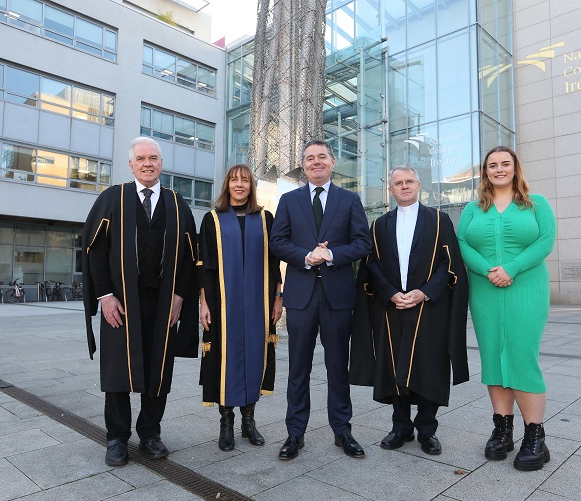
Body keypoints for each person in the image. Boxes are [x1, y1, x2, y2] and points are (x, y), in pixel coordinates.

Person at [82, 137, 199, 467]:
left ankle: (150, 433)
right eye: (141, 159)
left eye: (154, 158)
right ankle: (117, 437)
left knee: (158, 370)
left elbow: (191, 258)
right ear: (130, 165)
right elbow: (96, 251)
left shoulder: (177, 205)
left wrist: (180, 296)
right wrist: (104, 296)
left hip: (163, 303)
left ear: (161, 164)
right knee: (118, 371)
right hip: (121, 304)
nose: (148, 163)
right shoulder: (113, 199)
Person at [351, 166, 469, 455]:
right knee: (394, 366)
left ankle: (427, 429)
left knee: (429, 366)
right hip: (391, 308)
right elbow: (372, 266)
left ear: (419, 186)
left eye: (409, 182)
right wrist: (391, 293)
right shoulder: (379, 225)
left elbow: (449, 264)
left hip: (428, 307)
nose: (404, 186)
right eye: (398, 183)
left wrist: (425, 292)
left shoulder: (440, 221)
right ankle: (401, 427)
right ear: (390, 190)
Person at [270, 139, 371, 460]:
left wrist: (330, 255)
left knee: (337, 367)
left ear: (332, 161)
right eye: (310, 158)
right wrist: (305, 256)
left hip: (337, 297)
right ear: (304, 164)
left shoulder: (349, 199)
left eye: (322, 157)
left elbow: (362, 242)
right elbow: (277, 242)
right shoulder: (288, 200)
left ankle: (342, 430)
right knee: (298, 368)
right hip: (300, 298)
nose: (316, 162)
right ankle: (294, 432)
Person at [457, 145, 556, 471]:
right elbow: (462, 243)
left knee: (521, 357)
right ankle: (503, 430)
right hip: (485, 292)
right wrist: (487, 269)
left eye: (505, 164)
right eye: (492, 165)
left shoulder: (536, 203)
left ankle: (535, 437)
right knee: (494, 357)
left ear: (515, 168)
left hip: (525, 289)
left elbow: (545, 241)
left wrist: (511, 267)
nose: (499, 169)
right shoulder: (474, 208)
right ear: (485, 172)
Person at [198, 164, 283, 451]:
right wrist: (204, 303)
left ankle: (249, 422)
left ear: (250, 186)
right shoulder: (212, 220)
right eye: (234, 180)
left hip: (258, 304)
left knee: (253, 356)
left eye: (244, 180)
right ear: (227, 185)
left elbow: (273, 263)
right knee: (225, 356)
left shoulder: (265, 219)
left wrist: (278, 297)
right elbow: (205, 265)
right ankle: (227, 423)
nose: (239, 185)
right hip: (224, 304)